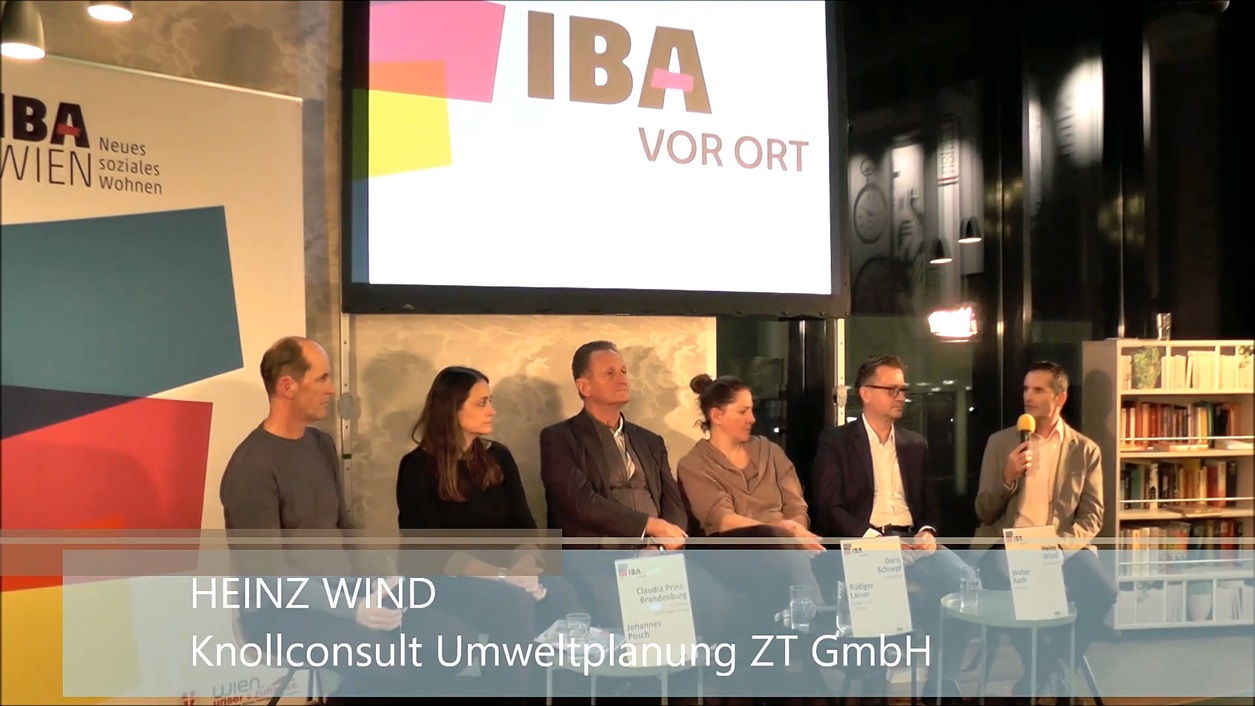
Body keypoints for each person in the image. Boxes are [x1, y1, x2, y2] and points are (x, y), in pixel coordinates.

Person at [219, 336, 474, 703]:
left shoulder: (321, 444)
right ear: (288, 386)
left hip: (347, 590)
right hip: (282, 615)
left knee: (453, 641)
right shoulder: (251, 467)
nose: (331, 389)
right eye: (322, 378)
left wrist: (384, 577)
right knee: (393, 662)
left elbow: (343, 525)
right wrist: (350, 609)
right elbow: (268, 572)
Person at [396, 365, 582, 695]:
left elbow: (525, 526)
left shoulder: (499, 457)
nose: (492, 410)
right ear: (452, 409)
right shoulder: (416, 467)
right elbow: (431, 552)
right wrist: (503, 578)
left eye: (490, 400)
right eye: (482, 403)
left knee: (560, 592)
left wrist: (525, 569)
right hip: (445, 581)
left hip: (506, 574)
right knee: (512, 603)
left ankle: (557, 696)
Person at [538, 341, 738, 638]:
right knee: (638, 618)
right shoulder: (559, 438)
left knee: (718, 606)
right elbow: (580, 502)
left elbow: (673, 502)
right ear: (584, 386)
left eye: (623, 371)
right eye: (609, 373)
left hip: (656, 554)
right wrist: (649, 526)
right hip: (598, 555)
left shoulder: (650, 441)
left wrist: (658, 545)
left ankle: (691, 670)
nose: (621, 378)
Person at [810, 354, 973, 699]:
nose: (901, 397)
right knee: (882, 589)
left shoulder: (915, 444)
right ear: (865, 393)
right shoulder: (836, 441)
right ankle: (873, 684)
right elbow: (829, 508)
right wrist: (877, 541)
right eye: (892, 390)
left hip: (912, 540)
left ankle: (942, 681)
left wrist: (928, 532)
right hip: (866, 541)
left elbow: (931, 504)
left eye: (903, 390)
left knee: (967, 581)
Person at [973, 360, 1117, 698]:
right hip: (1008, 544)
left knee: (1104, 590)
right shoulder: (1000, 443)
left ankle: (1047, 668)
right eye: (1026, 389)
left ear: (1060, 397)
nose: (1028, 396)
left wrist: (1060, 549)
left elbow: (1092, 516)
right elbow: (984, 511)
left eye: (1038, 390)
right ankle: (1049, 673)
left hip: (1059, 545)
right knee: (1005, 581)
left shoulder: (1085, 450)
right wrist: (1007, 477)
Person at [676, 373, 826, 599]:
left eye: (752, 410)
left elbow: (796, 506)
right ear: (717, 415)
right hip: (735, 553)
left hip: (788, 549)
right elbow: (724, 520)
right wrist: (784, 533)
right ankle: (813, 611)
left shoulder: (771, 452)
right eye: (742, 411)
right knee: (777, 545)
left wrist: (795, 531)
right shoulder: (694, 464)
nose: (752, 419)